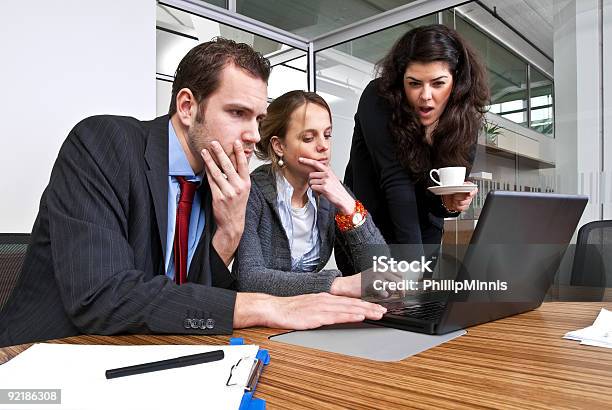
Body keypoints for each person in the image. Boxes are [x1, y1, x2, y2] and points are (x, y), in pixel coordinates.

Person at [0, 38, 386, 348]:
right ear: (187, 106)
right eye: (237, 113)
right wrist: (267, 306)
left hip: (151, 351)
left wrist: (229, 232)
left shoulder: (220, 181)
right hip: (45, 357)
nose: (254, 135)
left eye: (258, 118)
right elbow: (103, 295)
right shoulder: (103, 144)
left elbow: (189, 301)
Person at [342, 24, 488, 266]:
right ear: (400, 81)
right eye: (414, 83)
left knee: (421, 302)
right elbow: (395, 181)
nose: (425, 96)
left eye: (438, 83)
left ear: (457, 82)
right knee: (376, 299)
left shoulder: (465, 121)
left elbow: (438, 204)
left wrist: (449, 204)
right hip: (368, 231)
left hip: (425, 232)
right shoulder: (378, 97)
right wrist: (413, 264)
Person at [233, 91, 385, 298]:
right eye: (308, 138)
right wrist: (336, 285)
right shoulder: (252, 192)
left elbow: (383, 272)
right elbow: (250, 279)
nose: (323, 146)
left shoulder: (331, 190)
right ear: (279, 146)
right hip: (260, 321)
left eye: (328, 134)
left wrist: (348, 205)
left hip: (311, 316)